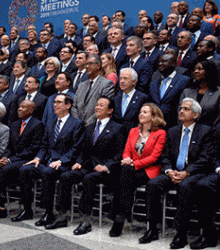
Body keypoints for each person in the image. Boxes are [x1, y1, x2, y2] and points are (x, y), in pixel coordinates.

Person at [139, 98, 212, 249]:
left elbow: (205, 159)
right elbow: (165, 156)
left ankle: (181, 233)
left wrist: (187, 172)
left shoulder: (205, 131)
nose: (181, 111)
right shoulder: (172, 131)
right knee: (153, 184)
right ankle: (152, 228)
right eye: (181, 108)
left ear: (195, 115)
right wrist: (169, 171)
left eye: (186, 109)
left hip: (194, 173)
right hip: (173, 171)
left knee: (185, 187)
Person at [45, 96, 125, 233]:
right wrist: (79, 162)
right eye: (97, 104)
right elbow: (83, 150)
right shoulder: (90, 127)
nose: (97, 107)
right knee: (65, 176)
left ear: (110, 110)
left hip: (107, 171)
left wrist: (106, 166)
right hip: (88, 167)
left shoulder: (118, 128)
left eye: (101, 105)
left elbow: (119, 154)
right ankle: (62, 216)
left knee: (89, 179)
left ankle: (85, 220)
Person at [17, 94, 85, 227]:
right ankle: (27, 209)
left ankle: (48, 212)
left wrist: (61, 161)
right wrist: (38, 158)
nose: (55, 105)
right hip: (47, 161)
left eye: (59, 102)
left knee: (48, 173)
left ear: (68, 105)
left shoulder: (77, 123)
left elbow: (76, 148)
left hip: (64, 164)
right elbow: (44, 145)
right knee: (24, 170)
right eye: (54, 102)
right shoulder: (50, 122)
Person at [109, 103, 167, 237]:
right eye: (141, 111)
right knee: (124, 173)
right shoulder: (133, 131)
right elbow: (126, 151)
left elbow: (154, 157)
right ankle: (123, 212)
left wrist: (134, 164)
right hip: (131, 170)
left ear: (153, 117)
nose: (141, 114)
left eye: (145, 112)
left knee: (123, 178)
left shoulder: (160, 133)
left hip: (149, 170)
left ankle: (119, 216)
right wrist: (127, 159)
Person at [149, 54, 192, 128]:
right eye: (159, 62)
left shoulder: (184, 80)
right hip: (155, 124)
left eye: (164, 61)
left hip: (173, 124)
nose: (160, 64)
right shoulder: (153, 83)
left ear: (173, 63)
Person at [72, 55, 114, 125]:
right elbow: (74, 106)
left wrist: (88, 123)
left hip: (94, 125)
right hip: (77, 126)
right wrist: (77, 122)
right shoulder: (81, 85)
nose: (87, 66)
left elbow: (104, 107)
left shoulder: (107, 84)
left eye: (90, 63)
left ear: (98, 66)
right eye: (86, 64)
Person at [180, 60, 220, 127]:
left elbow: (218, 117)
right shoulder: (187, 92)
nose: (196, 71)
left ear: (209, 71)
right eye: (195, 69)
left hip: (210, 131)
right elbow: (180, 113)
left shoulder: (218, 93)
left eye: (200, 69)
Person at [113, 68, 148, 134]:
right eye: (121, 78)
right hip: (117, 135)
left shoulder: (142, 98)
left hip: (134, 135)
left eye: (125, 78)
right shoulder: (116, 98)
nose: (122, 81)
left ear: (134, 81)